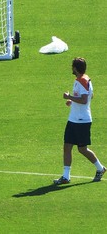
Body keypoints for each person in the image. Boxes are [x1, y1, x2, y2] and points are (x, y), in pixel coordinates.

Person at [53, 57, 106, 185]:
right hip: (73, 119)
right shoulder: (82, 80)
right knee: (67, 147)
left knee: (82, 149)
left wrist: (69, 96)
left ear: (75, 68)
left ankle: (100, 168)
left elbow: (84, 99)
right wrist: (72, 102)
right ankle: (66, 176)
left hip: (82, 121)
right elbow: (89, 96)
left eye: (72, 66)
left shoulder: (82, 80)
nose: (71, 68)